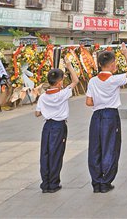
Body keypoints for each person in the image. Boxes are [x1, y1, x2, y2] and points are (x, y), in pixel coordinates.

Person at [86, 43, 127, 193]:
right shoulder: (114, 79)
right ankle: (105, 181)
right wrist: (126, 53)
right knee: (110, 147)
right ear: (113, 64)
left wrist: (99, 101)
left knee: (95, 148)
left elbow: (89, 102)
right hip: (111, 116)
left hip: (96, 116)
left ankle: (96, 181)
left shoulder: (92, 81)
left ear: (99, 64)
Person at [35, 56, 80, 193]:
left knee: (45, 154)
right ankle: (54, 184)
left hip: (47, 126)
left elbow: (37, 114)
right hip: (59, 126)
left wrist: (47, 110)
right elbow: (76, 81)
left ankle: (45, 183)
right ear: (60, 82)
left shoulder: (43, 97)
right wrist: (69, 65)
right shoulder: (63, 94)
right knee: (56, 154)